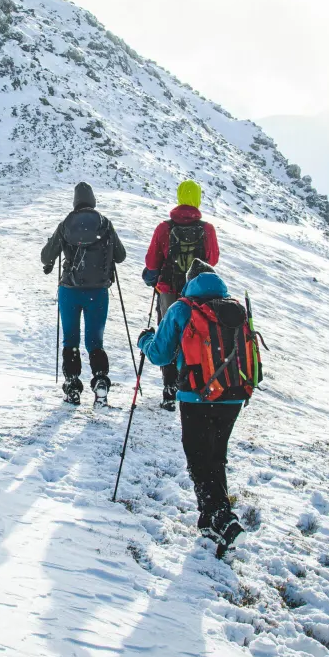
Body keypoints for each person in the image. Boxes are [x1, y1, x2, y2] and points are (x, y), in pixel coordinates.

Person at [137, 270, 253, 556]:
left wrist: (145, 340)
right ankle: (210, 520)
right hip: (233, 394)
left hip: (197, 395)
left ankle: (221, 518)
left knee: (199, 459)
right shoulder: (234, 309)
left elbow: (160, 355)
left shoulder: (182, 308)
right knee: (215, 456)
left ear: (189, 283)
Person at [41, 182, 127, 406]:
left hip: (69, 290)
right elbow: (121, 256)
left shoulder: (66, 224)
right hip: (97, 292)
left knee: (71, 339)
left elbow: (46, 256)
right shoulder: (105, 223)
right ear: (93, 200)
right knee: (94, 341)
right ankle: (100, 381)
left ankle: (72, 385)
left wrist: (53, 260)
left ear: (75, 201)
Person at [142, 180, 220, 410]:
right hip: (199, 294)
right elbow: (212, 260)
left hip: (169, 291)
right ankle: (194, 383)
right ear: (197, 199)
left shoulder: (164, 228)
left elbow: (151, 262)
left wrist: (154, 278)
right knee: (196, 334)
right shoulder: (207, 229)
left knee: (169, 335)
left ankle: (169, 388)